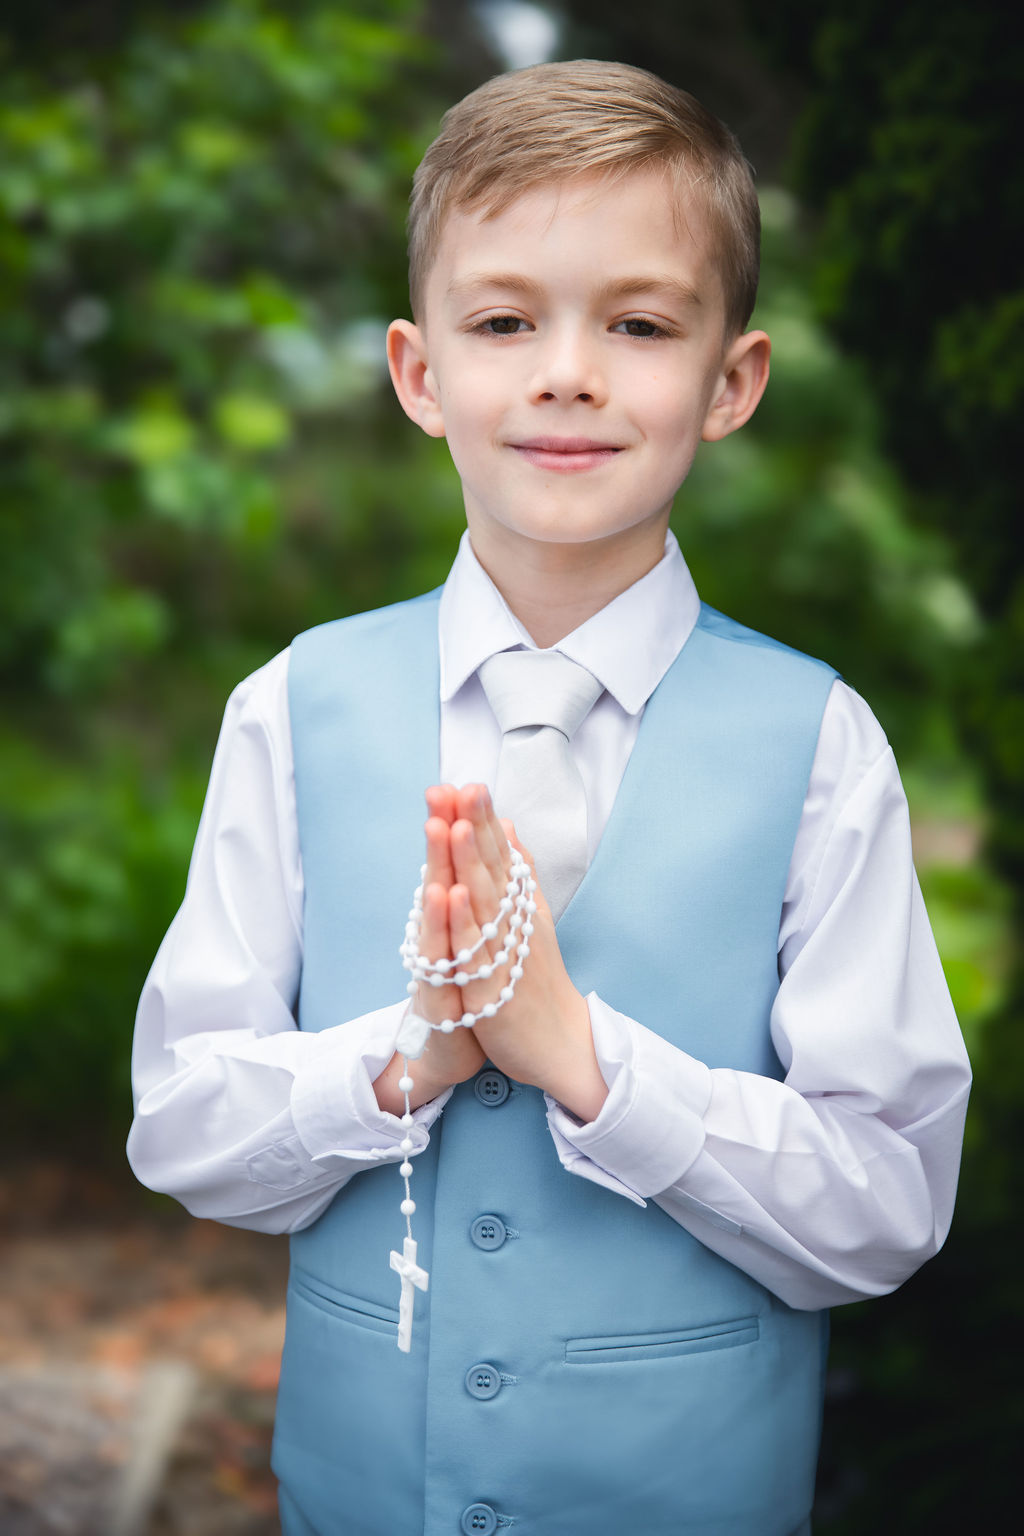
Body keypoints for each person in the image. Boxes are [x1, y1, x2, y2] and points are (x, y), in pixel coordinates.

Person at [127, 60, 971, 1536]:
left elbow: (886, 1200)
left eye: (639, 324)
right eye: (506, 320)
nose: (568, 370)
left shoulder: (819, 741)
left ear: (731, 383)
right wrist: (412, 1058)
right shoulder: (291, 707)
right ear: (418, 372)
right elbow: (182, 1122)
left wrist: (586, 1062)